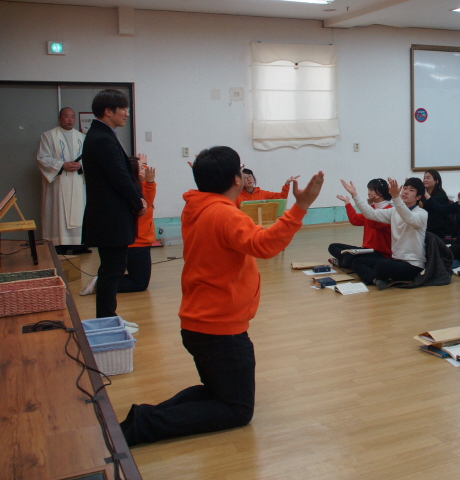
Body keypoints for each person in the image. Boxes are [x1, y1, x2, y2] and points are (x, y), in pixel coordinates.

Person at [118, 146, 323, 446]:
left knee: (216, 393)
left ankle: (142, 418)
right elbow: (265, 245)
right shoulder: (225, 214)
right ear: (236, 179)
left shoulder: (197, 205)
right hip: (220, 330)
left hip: (200, 323)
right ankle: (143, 425)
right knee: (237, 410)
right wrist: (301, 206)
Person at [81, 89, 146, 319]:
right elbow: (118, 176)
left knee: (112, 270)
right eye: (123, 109)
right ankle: (107, 321)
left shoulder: (102, 134)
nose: (126, 114)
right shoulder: (101, 138)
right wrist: (138, 201)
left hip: (109, 216)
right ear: (108, 111)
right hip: (110, 217)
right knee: (112, 271)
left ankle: (108, 318)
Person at [342, 177, 428, 289]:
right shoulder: (394, 211)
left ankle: (381, 277)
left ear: (418, 197)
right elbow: (371, 214)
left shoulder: (422, 213)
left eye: (411, 190)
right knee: (357, 262)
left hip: (413, 265)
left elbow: (409, 218)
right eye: (405, 188)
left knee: (381, 266)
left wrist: (396, 198)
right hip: (395, 260)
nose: (406, 191)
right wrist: (355, 195)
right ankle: (375, 280)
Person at [37, 107, 87, 253]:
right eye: (66, 116)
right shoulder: (48, 136)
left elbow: (91, 158)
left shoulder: (82, 137)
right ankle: (59, 244)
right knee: (58, 213)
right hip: (58, 182)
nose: (70, 120)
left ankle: (78, 244)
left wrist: (80, 165)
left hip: (77, 180)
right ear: (59, 118)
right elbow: (42, 158)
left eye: (72, 117)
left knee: (79, 211)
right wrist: (61, 165)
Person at [329, 178, 392, 269]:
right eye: (368, 189)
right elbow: (355, 220)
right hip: (367, 250)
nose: (368, 193)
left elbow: (373, 223)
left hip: (381, 254)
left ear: (380, 193)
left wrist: (369, 206)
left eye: (371, 190)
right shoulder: (370, 210)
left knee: (352, 258)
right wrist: (347, 203)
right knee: (333, 247)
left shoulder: (389, 211)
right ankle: (347, 262)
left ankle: (343, 263)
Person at [120, 154, 157, 295]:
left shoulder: (135, 186)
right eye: (142, 168)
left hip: (140, 243)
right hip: (137, 244)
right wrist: (150, 182)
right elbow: (148, 199)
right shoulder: (137, 192)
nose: (146, 170)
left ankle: (106, 281)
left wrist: (143, 163)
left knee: (139, 280)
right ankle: (102, 283)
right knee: (140, 283)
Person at [422, 169, 454, 238]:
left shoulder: (440, 197)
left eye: (428, 178)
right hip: (426, 230)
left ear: (436, 181)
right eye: (424, 178)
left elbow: (424, 206)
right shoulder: (423, 195)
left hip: (437, 233)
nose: (425, 180)